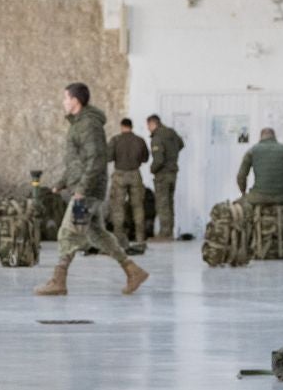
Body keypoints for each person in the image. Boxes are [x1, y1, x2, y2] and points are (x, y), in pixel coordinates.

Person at [34, 83, 149, 297]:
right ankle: (133, 270)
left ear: (75, 101)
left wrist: (81, 190)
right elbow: (77, 162)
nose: (63, 102)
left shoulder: (88, 125)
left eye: (65, 98)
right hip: (86, 190)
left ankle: (58, 281)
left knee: (68, 232)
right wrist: (62, 182)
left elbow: (96, 159)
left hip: (86, 194)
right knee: (98, 235)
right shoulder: (79, 124)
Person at [108, 118, 150, 244]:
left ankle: (118, 238)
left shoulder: (115, 140)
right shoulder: (139, 140)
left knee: (118, 207)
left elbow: (109, 157)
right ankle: (140, 238)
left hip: (119, 174)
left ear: (122, 126)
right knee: (138, 206)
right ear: (131, 126)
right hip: (135, 174)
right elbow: (145, 158)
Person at [236, 127, 283, 206]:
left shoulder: (252, 151)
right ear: (274, 136)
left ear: (261, 137)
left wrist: (243, 192)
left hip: (258, 197)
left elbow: (241, 176)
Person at [146, 114, 185, 239]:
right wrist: (172, 156)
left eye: (148, 126)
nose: (148, 128)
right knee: (169, 202)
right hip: (173, 172)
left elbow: (158, 160)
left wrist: (152, 169)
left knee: (162, 204)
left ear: (153, 124)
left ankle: (164, 233)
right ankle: (169, 232)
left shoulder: (157, 137)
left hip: (162, 174)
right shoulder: (171, 132)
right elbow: (181, 144)